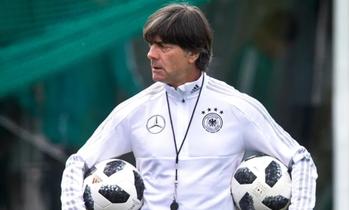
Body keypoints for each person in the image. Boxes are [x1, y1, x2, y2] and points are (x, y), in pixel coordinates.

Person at [61, 3, 317, 210]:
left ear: (193, 53)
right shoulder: (134, 110)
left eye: (164, 46)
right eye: (151, 45)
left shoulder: (237, 107)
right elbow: (77, 162)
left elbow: (300, 159)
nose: (151, 54)